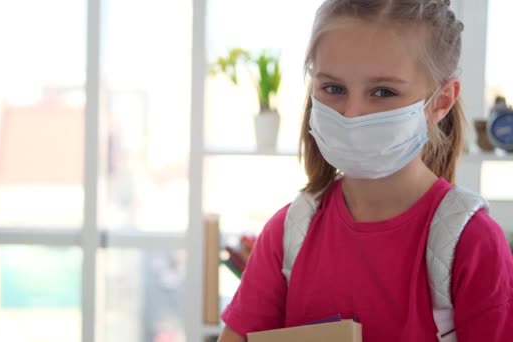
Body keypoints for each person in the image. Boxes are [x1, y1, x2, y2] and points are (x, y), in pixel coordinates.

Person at [218, 1, 513, 341]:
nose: (352, 114)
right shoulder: (286, 235)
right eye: (333, 88)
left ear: (441, 101)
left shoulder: (473, 245)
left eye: (383, 92)